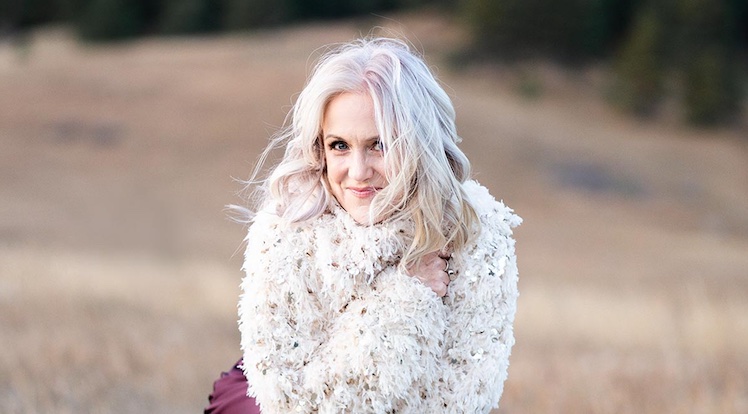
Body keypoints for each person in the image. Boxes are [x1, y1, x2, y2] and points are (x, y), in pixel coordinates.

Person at [205, 37, 521, 413]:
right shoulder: (287, 228)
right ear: (319, 148)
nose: (357, 172)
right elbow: (293, 403)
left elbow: (464, 399)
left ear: (420, 146)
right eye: (339, 145)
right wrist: (406, 294)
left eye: (379, 145)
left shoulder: (478, 234)